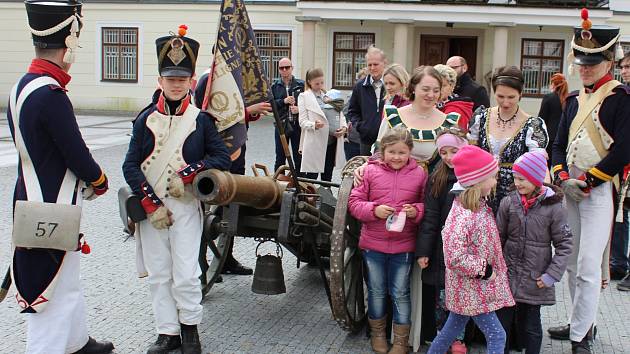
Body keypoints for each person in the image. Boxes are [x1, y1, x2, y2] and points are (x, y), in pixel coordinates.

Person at [7, 1, 113, 353]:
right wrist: (98, 179)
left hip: (31, 198)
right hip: (52, 207)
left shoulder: (22, 85)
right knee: (47, 290)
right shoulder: (51, 95)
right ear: (68, 44)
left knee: (65, 279)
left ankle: (76, 342)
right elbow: (75, 151)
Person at [123, 26, 231, 354]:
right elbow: (130, 166)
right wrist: (152, 204)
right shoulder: (144, 120)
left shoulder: (201, 121)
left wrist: (188, 174)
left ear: (190, 81)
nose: (175, 84)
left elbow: (221, 157)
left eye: (181, 79)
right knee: (159, 274)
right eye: (170, 79)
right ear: (160, 81)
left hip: (185, 207)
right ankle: (167, 332)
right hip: (153, 210)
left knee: (185, 272)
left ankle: (190, 329)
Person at [549, 13, 630, 353]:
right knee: (569, 262)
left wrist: (588, 181)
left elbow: (624, 147)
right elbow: (557, 144)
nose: (584, 69)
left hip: (598, 193)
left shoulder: (621, 98)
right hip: (571, 191)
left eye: (592, 64)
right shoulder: (573, 101)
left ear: (608, 61)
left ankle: (581, 337)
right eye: (581, 63)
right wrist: (562, 176)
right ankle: (583, 322)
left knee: (587, 266)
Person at [427, 145, 514, 354]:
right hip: (472, 287)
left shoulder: (476, 207)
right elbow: (455, 257)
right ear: (477, 182)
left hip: (469, 288)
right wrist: (486, 270)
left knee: (450, 330)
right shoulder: (466, 215)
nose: (496, 181)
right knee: (497, 335)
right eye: (492, 177)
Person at [348, 126, 427, 354]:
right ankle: (378, 335)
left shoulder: (419, 174)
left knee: (401, 292)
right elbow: (355, 203)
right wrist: (374, 210)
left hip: (403, 246)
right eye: (392, 152)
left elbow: (425, 205)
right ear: (382, 151)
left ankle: (401, 341)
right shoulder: (369, 172)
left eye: (402, 153)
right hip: (374, 244)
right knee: (376, 291)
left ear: (410, 152)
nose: (397, 157)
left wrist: (416, 212)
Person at [495, 151, 573, 354]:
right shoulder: (509, 202)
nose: (517, 183)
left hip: (535, 277)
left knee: (531, 325)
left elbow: (564, 244)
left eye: (522, 178)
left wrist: (551, 275)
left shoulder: (554, 206)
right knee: (501, 325)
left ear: (536, 178)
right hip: (508, 274)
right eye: (515, 178)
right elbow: (497, 238)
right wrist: (496, 268)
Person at [194, 72, 270, 278]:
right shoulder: (206, 81)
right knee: (206, 213)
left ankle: (226, 259)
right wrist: (247, 111)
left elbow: (239, 118)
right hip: (214, 154)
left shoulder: (237, 81)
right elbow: (205, 117)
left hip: (236, 155)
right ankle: (201, 267)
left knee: (231, 207)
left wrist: (252, 114)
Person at [415, 128, 469, 354]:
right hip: (441, 247)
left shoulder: (472, 178)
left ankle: (459, 337)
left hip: (466, 247)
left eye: (454, 151)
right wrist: (424, 251)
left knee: (462, 295)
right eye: (443, 152)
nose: (448, 157)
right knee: (441, 295)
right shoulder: (437, 178)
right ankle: (441, 334)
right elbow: (430, 217)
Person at [468, 65, 549, 213]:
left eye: (511, 97)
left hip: (516, 194)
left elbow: (539, 164)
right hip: (482, 191)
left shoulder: (532, 124)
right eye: (500, 96)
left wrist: (545, 194)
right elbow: (470, 154)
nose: (505, 102)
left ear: (520, 94)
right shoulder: (481, 117)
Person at [297, 68, 347, 181]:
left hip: (331, 142)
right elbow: (302, 121)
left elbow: (340, 114)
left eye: (322, 83)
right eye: (317, 83)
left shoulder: (328, 95)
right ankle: (310, 198)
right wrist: (314, 124)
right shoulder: (304, 97)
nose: (320, 85)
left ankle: (326, 197)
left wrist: (344, 127)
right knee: (311, 178)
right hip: (314, 142)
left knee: (327, 177)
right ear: (309, 82)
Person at [611, 52, 630, 287]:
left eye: (629, 67)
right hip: (623, 164)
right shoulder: (621, 95)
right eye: (623, 67)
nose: (624, 71)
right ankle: (617, 264)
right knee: (619, 215)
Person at [347, 46, 387, 155]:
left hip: (389, 141)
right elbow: (352, 111)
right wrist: (361, 127)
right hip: (366, 141)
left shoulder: (391, 85)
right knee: (367, 170)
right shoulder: (360, 86)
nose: (372, 68)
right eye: (369, 65)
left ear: (384, 63)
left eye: (376, 64)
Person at [271, 57, 305, 173]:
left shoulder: (302, 85)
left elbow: (310, 105)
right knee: (280, 157)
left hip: (297, 126)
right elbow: (270, 105)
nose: (284, 70)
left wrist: (299, 109)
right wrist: (283, 101)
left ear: (292, 68)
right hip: (281, 126)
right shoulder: (274, 86)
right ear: (279, 69)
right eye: (282, 68)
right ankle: (279, 185)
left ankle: (299, 184)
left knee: (298, 156)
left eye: (287, 67)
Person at [538, 73, 569, 166]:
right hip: (564, 138)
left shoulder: (548, 98)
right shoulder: (569, 99)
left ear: (553, 84)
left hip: (549, 139)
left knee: (545, 167)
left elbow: (541, 120)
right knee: (560, 166)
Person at [433, 64, 474, 130]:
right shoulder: (430, 103)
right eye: (436, 85)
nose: (439, 88)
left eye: (443, 85)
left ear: (452, 86)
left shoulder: (457, 108)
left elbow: (444, 133)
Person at [344, 67, 369, 160]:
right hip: (354, 139)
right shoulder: (353, 95)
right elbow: (346, 113)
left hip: (369, 140)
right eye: (361, 80)